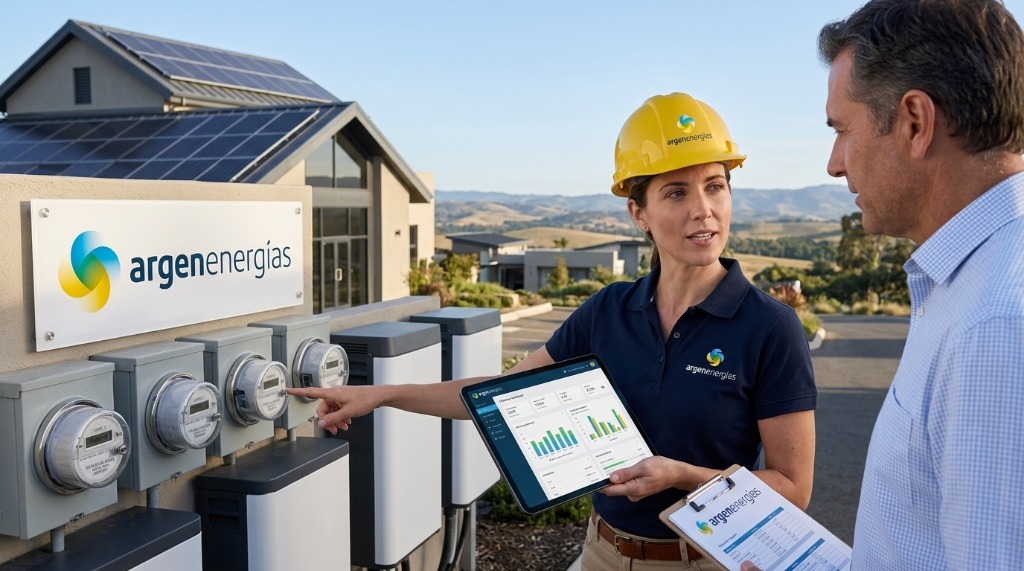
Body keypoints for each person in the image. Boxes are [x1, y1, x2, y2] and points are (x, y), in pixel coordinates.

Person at [288, 92, 817, 571]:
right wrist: (381, 394)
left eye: (715, 186)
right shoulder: (610, 309)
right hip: (602, 552)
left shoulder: (770, 326)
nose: (703, 210)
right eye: (676, 192)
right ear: (639, 213)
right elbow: (499, 396)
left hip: (703, 560)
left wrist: (681, 475)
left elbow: (792, 490)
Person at [817, 0, 1024, 569]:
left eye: (842, 130)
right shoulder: (970, 283)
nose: (834, 164)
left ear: (914, 122)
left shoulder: (994, 327)